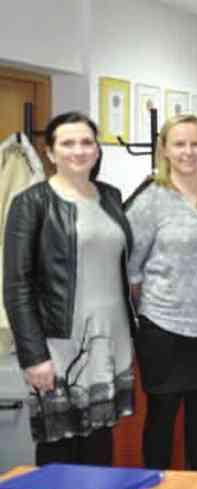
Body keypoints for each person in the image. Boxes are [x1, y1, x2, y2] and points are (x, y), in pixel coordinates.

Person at [4, 112, 133, 466]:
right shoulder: (31, 203)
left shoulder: (110, 196)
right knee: (59, 443)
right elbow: (17, 285)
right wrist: (33, 355)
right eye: (67, 143)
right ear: (50, 152)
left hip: (110, 339)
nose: (79, 150)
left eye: (87, 142)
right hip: (60, 344)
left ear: (96, 149)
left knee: (100, 440)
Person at [127, 114, 197, 472]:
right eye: (179, 144)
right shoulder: (150, 200)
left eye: (195, 143)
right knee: (162, 416)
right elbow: (131, 267)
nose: (188, 152)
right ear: (165, 150)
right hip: (164, 326)